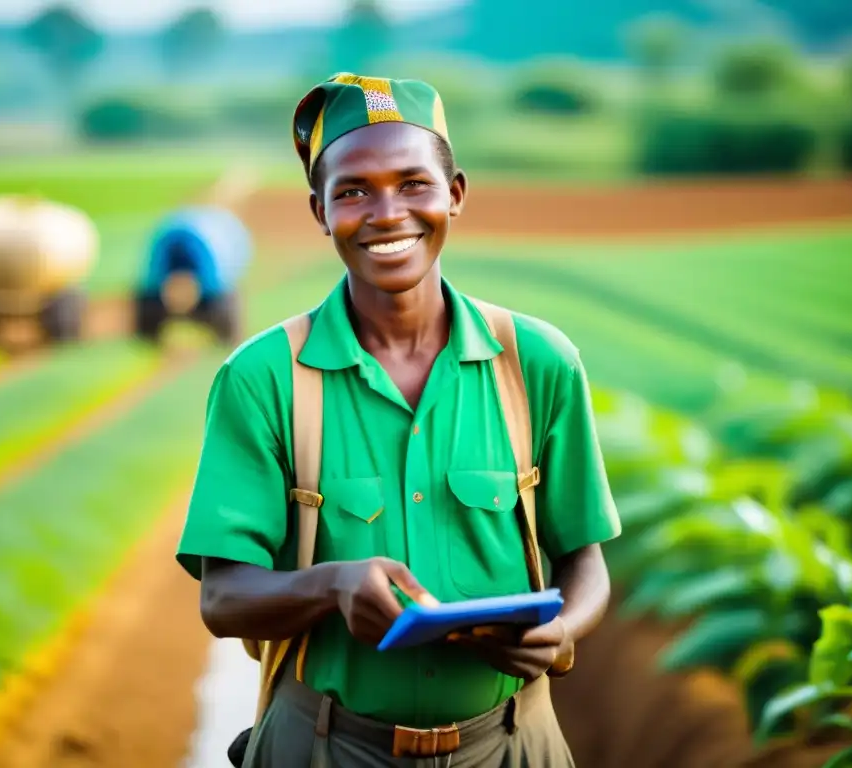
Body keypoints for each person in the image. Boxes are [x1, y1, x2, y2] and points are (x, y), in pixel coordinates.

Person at [175, 73, 622, 767]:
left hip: (511, 745)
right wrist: (332, 585)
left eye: (414, 183)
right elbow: (224, 597)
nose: (387, 213)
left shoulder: (536, 363)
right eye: (353, 191)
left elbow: (584, 559)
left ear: (456, 194)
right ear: (320, 211)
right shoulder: (263, 378)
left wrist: (563, 629)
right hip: (325, 746)